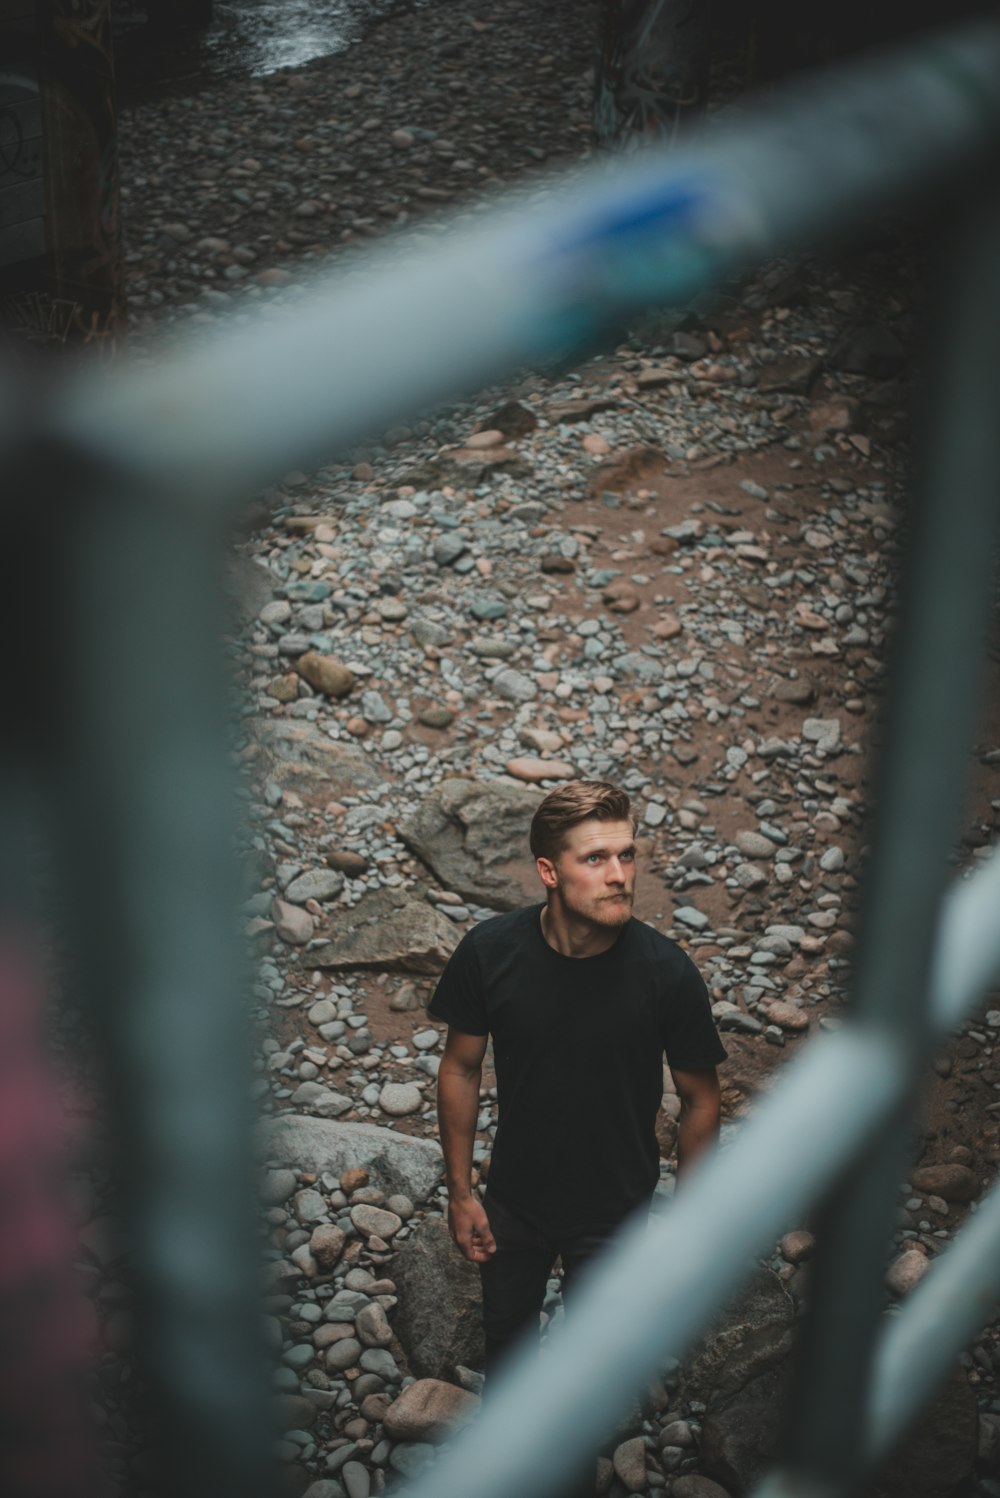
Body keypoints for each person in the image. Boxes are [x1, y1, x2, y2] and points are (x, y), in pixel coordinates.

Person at [429, 779, 726, 1397]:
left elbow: (702, 1099)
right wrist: (461, 1194)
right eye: (595, 858)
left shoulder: (666, 974)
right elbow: (459, 1067)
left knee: (588, 1384)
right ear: (549, 871)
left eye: (627, 854)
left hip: (616, 1214)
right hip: (513, 1202)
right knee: (507, 1365)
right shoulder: (489, 952)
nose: (620, 874)